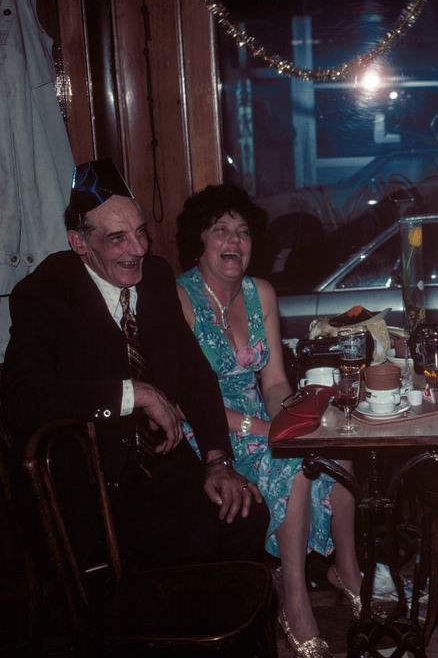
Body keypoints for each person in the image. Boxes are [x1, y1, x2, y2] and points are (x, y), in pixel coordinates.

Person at [0, 158, 269, 569]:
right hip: (92, 484)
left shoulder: (156, 278)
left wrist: (218, 460)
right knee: (191, 541)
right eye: (118, 238)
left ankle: (222, 631)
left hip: (160, 467)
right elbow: (21, 398)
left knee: (246, 512)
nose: (138, 249)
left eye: (141, 233)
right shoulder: (44, 294)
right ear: (79, 243)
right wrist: (132, 394)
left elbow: (196, 376)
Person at [174, 184, 362, 657]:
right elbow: (184, 400)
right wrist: (265, 432)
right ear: (200, 240)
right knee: (290, 463)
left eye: (242, 232)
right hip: (210, 427)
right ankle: (294, 600)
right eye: (220, 230)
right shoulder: (179, 297)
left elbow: (275, 381)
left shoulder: (261, 292)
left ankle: (348, 568)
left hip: (258, 418)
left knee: (335, 446)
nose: (233, 241)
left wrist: (296, 420)